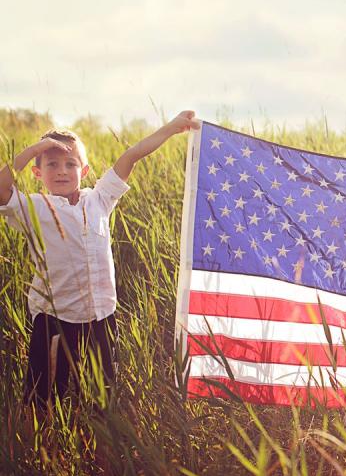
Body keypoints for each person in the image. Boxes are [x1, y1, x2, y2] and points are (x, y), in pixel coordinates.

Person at [0, 110, 200, 409]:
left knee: (100, 396)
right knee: (44, 397)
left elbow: (131, 156)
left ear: (85, 169)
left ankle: (96, 443)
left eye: (71, 164)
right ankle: (44, 446)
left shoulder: (99, 199)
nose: (62, 171)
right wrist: (36, 149)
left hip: (100, 317)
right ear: (37, 172)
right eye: (51, 163)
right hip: (54, 320)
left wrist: (170, 128)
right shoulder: (33, 208)